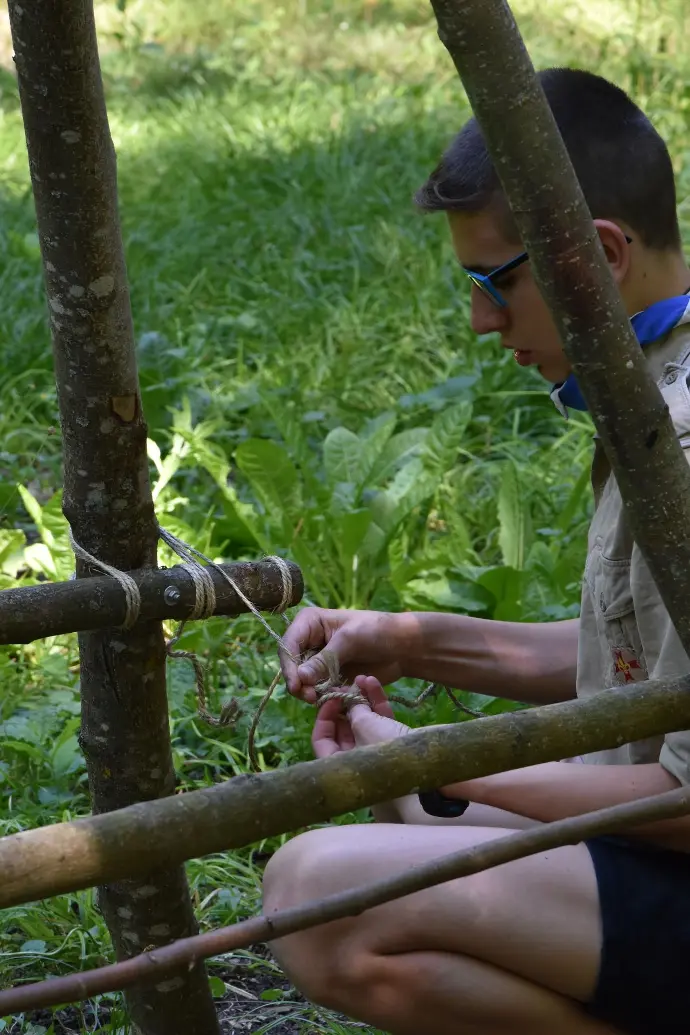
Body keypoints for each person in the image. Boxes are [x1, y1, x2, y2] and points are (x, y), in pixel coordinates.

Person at [261, 68, 690, 1035]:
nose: (481, 322)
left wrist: (440, 762)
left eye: (495, 282)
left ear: (604, 254)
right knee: (408, 831)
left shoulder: (685, 444)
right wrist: (406, 640)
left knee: (315, 890)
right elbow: (640, 668)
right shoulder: (656, 389)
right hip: (651, 858)